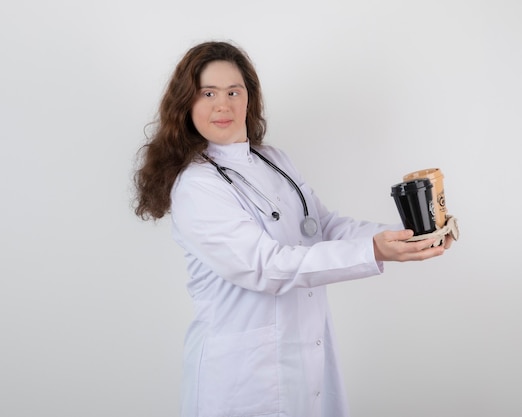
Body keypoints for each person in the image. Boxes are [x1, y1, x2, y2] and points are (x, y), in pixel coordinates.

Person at [132, 40, 453, 417]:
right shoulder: (196, 186)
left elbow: (322, 226)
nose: (223, 105)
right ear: (187, 103)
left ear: (249, 98)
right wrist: (375, 251)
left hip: (306, 355)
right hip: (243, 376)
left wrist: (406, 236)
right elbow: (265, 266)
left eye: (234, 91)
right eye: (208, 93)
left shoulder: (273, 160)